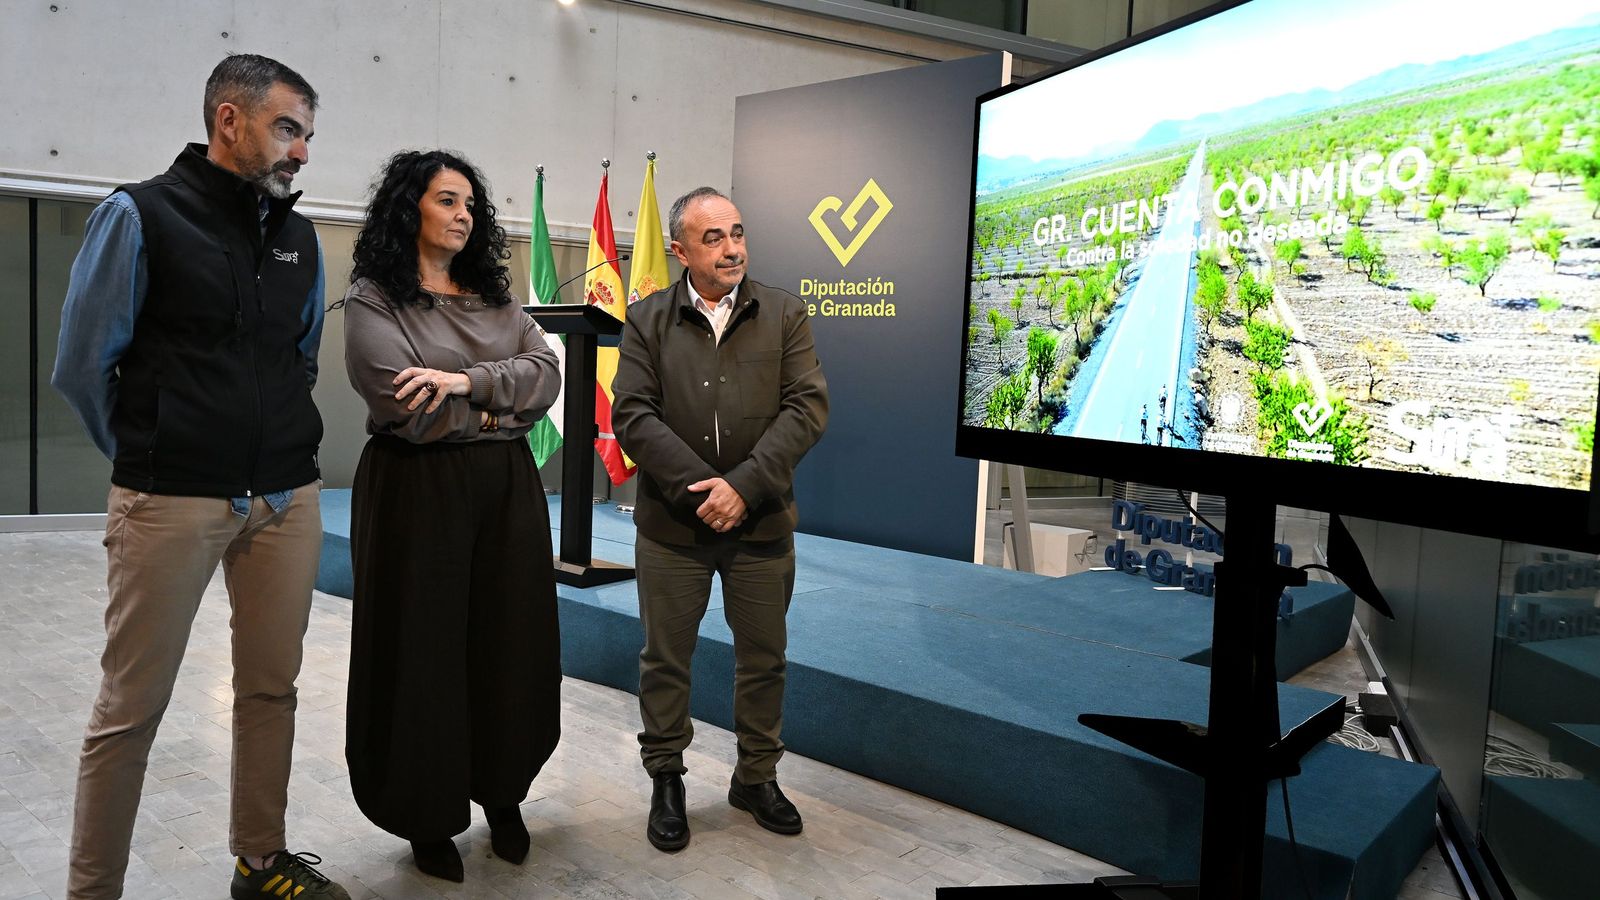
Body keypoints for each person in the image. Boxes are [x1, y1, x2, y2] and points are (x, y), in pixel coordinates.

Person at [51, 54, 350, 900]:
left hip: (285, 499)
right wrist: (155, 453)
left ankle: (260, 862)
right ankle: (92, 890)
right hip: (173, 497)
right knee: (129, 712)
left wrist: (278, 454)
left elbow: (298, 360)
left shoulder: (296, 238)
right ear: (229, 119)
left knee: (270, 688)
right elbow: (82, 365)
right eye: (288, 128)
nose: (301, 152)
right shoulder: (139, 215)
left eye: (308, 136)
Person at [341, 149, 562, 883]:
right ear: (410, 209)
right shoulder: (377, 299)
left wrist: (463, 382)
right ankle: (426, 814)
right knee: (421, 652)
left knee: (510, 640)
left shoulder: (498, 298)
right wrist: (503, 414)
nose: (464, 214)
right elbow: (408, 411)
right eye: (446, 200)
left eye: (470, 203)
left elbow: (549, 374)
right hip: (416, 492)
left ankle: (502, 794)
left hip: (506, 493)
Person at [613, 187, 829, 852]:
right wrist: (701, 489)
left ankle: (755, 778)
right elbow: (633, 414)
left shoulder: (785, 313)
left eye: (737, 233)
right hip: (673, 528)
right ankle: (668, 779)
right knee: (665, 661)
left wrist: (742, 487)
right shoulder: (647, 317)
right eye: (713, 238)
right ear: (679, 250)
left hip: (761, 522)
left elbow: (807, 408)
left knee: (764, 660)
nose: (732, 248)